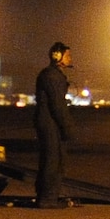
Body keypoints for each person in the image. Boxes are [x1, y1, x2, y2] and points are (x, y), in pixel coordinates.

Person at [34, 41, 75, 209]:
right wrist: (67, 128)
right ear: (57, 56)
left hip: (48, 122)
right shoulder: (52, 76)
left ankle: (47, 196)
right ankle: (48, 198)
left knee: (51, 159)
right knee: (53, 160)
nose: (70, 58)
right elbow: (57, 105)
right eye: (68, 55)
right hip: (50, 123)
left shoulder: (53, 75)